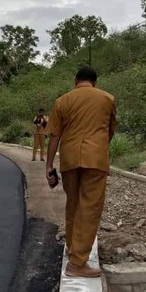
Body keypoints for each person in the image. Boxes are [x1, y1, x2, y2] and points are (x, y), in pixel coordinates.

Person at [45, 66, 117, 278]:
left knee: (74, 203)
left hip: (69, 159)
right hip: (95, 159)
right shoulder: (107, 99)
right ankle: (77, 262)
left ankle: (71, 246)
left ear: (75, 80)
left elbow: (54, 136)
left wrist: (49, 165)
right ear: (94, 81)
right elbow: (109, 131)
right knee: (90, 207)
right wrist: (98, 149)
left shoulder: (62, 101)